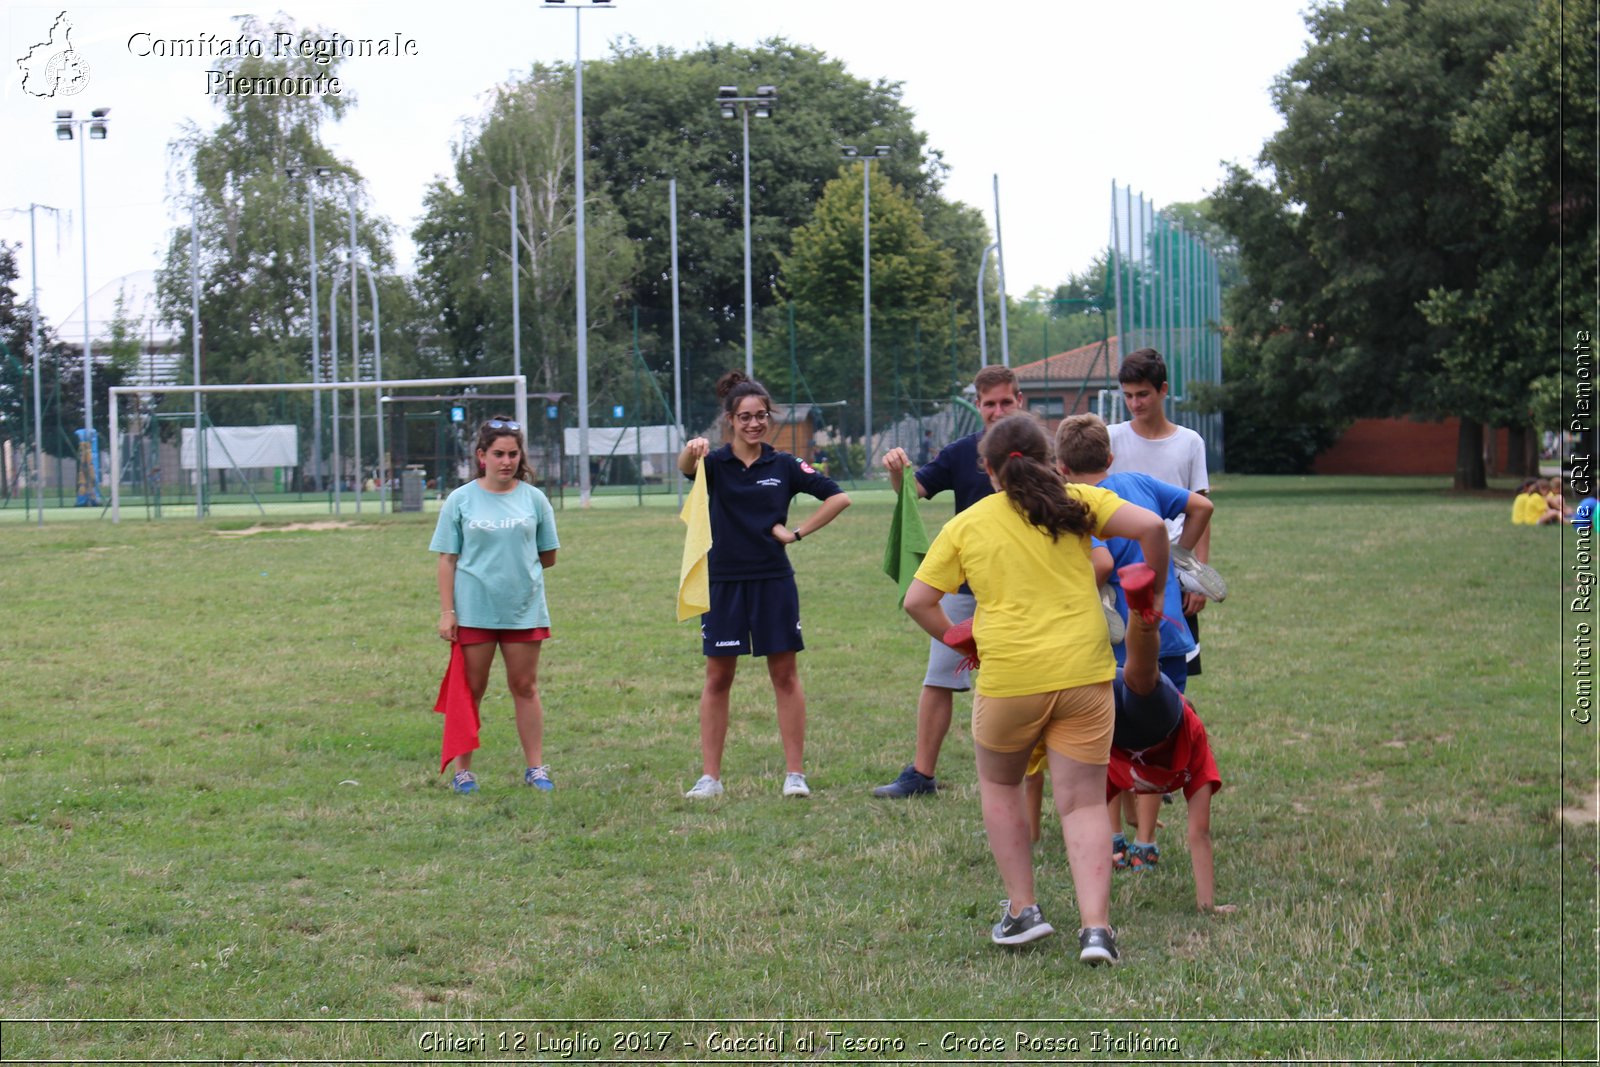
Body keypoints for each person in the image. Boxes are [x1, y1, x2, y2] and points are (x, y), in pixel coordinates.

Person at [904, 413, 1170, 965]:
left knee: (1001, 790)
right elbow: (1150, 529)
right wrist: (1157, 592)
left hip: (1009, 680)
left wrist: (964, 643)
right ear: (1050, 458)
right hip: (1084, 674)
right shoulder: (1079, 502)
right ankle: (1096, 929)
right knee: (1082, 802)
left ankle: (1024, 911)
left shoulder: (968, 524)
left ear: (988, 470)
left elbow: (917, 601)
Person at [677, 371, 851, 799]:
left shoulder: (785, 465)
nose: (754, 424)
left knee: (785, 675)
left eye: (761, 416)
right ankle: (710, 778)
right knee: (718, 677)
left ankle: (795, 774)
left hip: (774, 582)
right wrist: (690, 451)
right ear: (730, 421)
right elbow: (687, 469)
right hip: (724, 584)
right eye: (745, 417)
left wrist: (797, 533)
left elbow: (838, 497)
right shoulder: (714, 464)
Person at [875, 365, 1026, 798]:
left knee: (1046, 681)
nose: (998, 411)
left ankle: (1111, 764)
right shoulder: (962, 453)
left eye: (1006, 401)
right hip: (967, 589)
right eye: (989, 403)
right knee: (940, 677)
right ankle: (921, 775)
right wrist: (896, 471)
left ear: (1021, 401)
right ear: (977, 406)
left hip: (1027, 590)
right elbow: (913, 492)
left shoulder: (1041, 451)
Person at [429, 416, 561, 794]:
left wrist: (517, 577)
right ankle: (463, 771)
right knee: (471, 689)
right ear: (481, 456)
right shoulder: (461, 499)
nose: (507, 461)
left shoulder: (534, 499)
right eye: (499, 454)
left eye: (513, 454)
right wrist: (447, 611)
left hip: (523, 610)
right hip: (474, 612)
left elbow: (547, 556)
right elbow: (447, 559)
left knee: (525, 685)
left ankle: (535, 767)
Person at [1108, 348, 1214, 676]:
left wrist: (1195, 574)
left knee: (1173, 671)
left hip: (1172, 570)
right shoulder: (1110, 438)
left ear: (1163, 390)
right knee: (1123, 670)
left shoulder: (1190, 442)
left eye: (1143, 394)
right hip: (1124, 567)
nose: (1135, 404)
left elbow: (1201, 508)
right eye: (1128, 396)